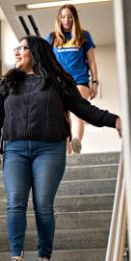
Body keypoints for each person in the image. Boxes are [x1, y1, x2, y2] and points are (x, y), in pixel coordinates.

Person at [0, 35, 121, 261]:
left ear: (36, 52)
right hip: (15, 150)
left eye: (22, 48)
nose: (17, 52)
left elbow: (84, 109)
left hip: (50, 149)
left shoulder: (57, 82)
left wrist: (115, 120)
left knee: (43, 203)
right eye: (16, 48)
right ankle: (17, 259)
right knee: (15, 201)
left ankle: (44, 256)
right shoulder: (7, 83)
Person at [46, 4, 99, 154]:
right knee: (63, 117)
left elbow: (92, 61)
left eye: (70, 17)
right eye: (63, 17)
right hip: (59, 82)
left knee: (77, 111)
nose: (67, 20)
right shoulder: (52, 38)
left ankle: (76, 142)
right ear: (59, 19)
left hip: (79, 80)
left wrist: (95, 82)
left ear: (75, 19)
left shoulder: (84, 35)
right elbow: (46, 61)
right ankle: (67, 149)